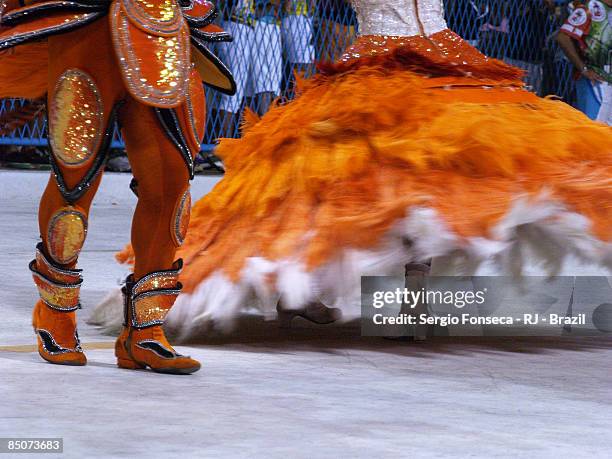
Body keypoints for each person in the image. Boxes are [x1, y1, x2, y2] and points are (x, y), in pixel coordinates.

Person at [102, 0, 611, 340]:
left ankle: (402, 302)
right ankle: (337, 297)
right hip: (381, 68)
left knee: (420, 178)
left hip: (438, 63)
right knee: (340, 183)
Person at [0, 0, 235, 372]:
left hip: (162, 26)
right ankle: (55, 315)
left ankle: (146, 331)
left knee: (171, 187)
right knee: (75, 183)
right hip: (85, 23)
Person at [217, 0, 283, 136]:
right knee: (232, 95)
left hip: (245, 27)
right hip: (237, 27)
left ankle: (233, 142)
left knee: (240, 93)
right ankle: (223, 145)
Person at [557, 0, 612, 123]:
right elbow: (563, 37)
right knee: (594, 130)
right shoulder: (591, 7)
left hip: (608, 82)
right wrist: (584, 69)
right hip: (595, 81)